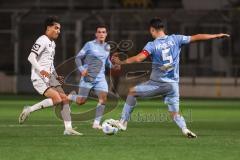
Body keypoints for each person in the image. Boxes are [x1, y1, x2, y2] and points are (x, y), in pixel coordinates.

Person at [112, 17, 230, 138]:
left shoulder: (152, 45)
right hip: (173, 85)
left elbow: (139, 58)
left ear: (152, 30)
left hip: (157, 84)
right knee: (174, 113)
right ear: (162, 28)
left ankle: (123, 122)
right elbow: (197, 36)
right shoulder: (176, 39)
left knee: (132, 92)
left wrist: (122, 62)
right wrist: (216, 35)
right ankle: (184, 129)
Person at [18, 16, 82, 136]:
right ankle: (29, 109)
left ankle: (68, 129)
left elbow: (50, 64)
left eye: (59, 29)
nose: (58, 31)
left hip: (50, 77)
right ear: (48, 28)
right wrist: (41, 70)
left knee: (64, 100)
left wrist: (56, 76)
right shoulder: (42, 40)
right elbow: (31, 57)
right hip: (39, 77)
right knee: (57, 99)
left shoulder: (52, 43)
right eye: (56, 28)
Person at [68, 25, 119, 129]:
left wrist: (113, 66)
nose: (101, 34)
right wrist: (82, 70)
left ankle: (96, 124)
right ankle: (69, 97)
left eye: (103, 32)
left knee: (103, 99)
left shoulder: (107, 47)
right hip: (88, 77)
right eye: (99, 32)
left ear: (106, 34)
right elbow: (78, 58)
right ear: (96, 34)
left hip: (100, 78)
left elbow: (106, 61)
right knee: (81, 101)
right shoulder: (89, 45)